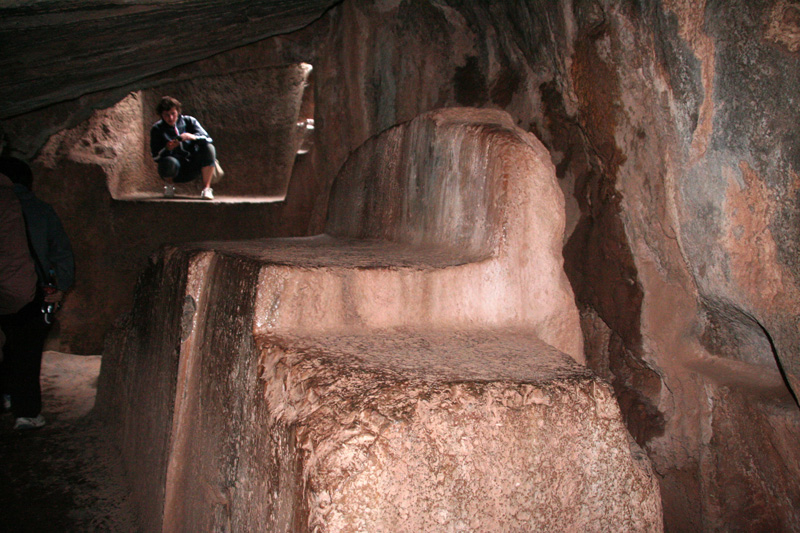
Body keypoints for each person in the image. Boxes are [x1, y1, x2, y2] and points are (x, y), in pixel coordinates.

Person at [0, 156, 74, 430]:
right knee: (26, 352)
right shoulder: (40, 210)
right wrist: (61, 286)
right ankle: (26, 412)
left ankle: (5, 395)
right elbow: (61, 252)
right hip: (31, 290)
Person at [150, 96, 221, 200]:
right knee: (169, 161)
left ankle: (206, 189)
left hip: (193, 166)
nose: (170, 118)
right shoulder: (157, 129)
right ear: (161, 115)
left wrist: (192, 137)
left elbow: (208, 139)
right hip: (174, 170)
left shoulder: (189, 121)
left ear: (178, 111)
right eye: (166, 115)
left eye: (173, 113)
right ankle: (169, 187)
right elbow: (155, 156)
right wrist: (167, 148)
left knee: (209, 148)